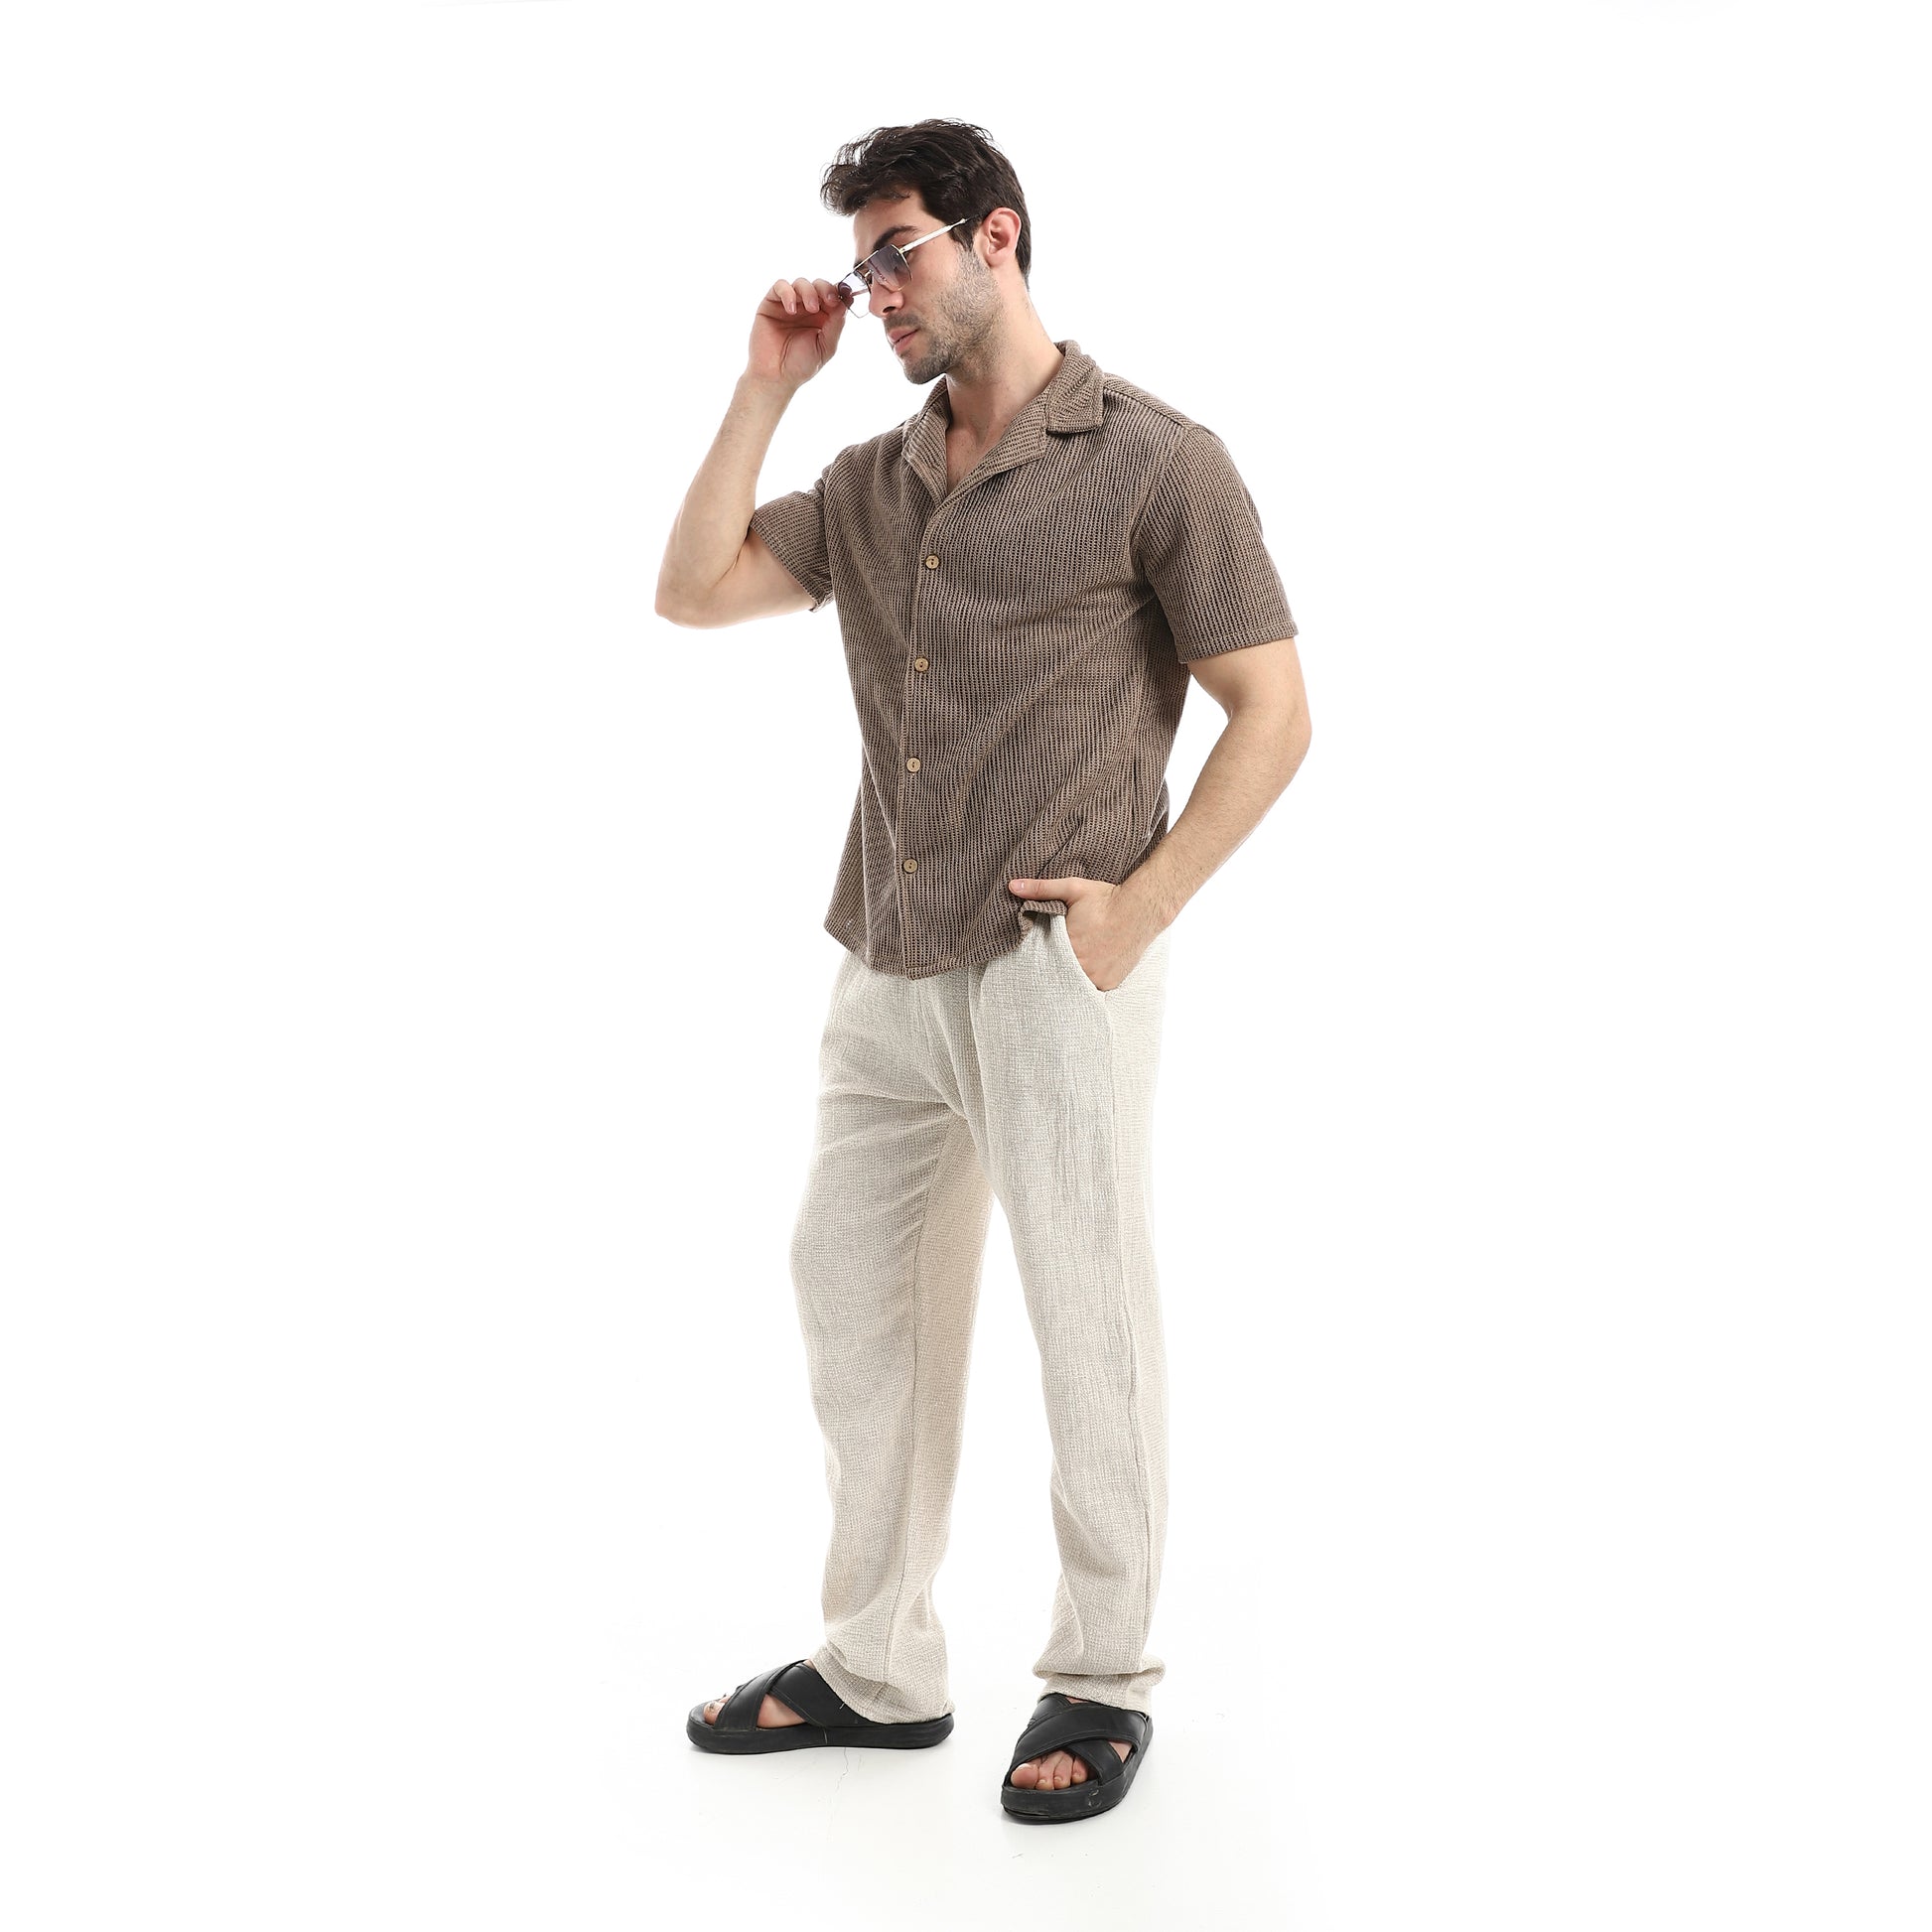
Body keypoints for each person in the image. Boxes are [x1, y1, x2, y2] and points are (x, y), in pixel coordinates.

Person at [655, 119, 1311, 1822]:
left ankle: (1102, 1671)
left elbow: (1272, 711)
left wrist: (1136, 912)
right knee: (848, 1294)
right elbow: (693, 589)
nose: (874, 288)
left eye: (900, 252)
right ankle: (878, 1664)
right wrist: (765, 390)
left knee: (1086, 1317)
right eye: (861, 260)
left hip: (1050, 961)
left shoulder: (1156, 459)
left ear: (995, 237)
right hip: (884, 958)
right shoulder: (873, 482)